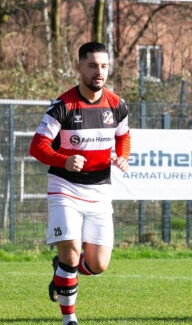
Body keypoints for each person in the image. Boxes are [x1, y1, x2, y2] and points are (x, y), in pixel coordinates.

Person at [30, 41, 131, 325]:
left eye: (103, 66)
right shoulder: (62, 107)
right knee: (72, 255)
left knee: (98, 265)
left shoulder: (116, 104)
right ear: (79, 68)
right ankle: (69, 319)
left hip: (100, 191)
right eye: (92, 66)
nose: (99, 72)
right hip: (65, 188)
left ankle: (61, 271)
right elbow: (37, 147)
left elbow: (123, 137)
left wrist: (122, 157)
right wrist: (63, 160)